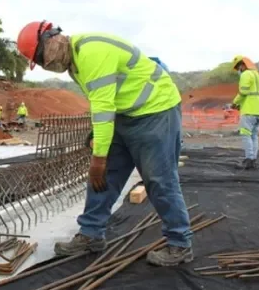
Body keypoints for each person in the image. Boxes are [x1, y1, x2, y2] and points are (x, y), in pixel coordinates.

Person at [15, 21, 193, 267]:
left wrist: (98, 158)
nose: (46, 65)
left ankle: (180, 243)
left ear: (52, 39)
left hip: (156, 111)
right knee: (103, 177)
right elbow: (104, 100)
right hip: (125, 113)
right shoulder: (75, 63)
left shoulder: (91, 52)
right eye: (40, 62)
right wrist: (96, 138)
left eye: (41, 57)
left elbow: (103, 107)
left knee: (159, 179)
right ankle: (91, 235)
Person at [230, 55, 259, 170]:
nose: (238, 70)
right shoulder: (258, 75)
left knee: (246, 134)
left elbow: (243, 92)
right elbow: (252, 93)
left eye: (239, 66)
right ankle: (253, 159)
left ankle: (248, 160)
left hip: (249, 109)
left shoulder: (246, 74)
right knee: (254, 135)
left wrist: (234, 103)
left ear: (243, 64)